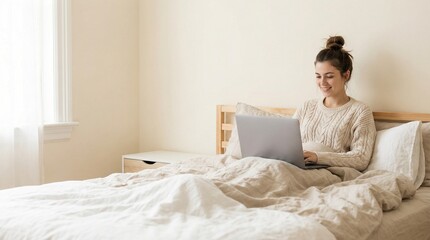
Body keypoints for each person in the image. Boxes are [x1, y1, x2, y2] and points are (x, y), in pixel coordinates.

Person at [293, 36, 376, 171]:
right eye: (318, 76)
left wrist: (318, 157)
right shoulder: (306, 107)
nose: (322, 82)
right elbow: (287, 144)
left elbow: (361, 158)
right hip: (295, 167)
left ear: (346, 75)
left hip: (326, 171)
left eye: (329, 76)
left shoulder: (360, 111)